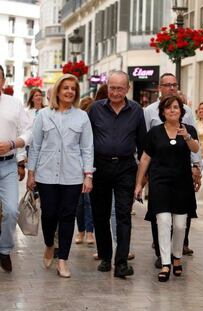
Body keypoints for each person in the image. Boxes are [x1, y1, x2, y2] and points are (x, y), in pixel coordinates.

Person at [27, 74, 94, 278]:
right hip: (46, 175)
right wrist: (31, 173)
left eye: (73, 88)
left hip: (72, 175)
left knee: (67, 217)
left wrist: (88, 175)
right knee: (49, 215)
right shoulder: (44, 116)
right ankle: (49, 244)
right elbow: (36, 146)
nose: (69, 91)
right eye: (65, 87)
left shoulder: (82, 117)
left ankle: (63, 260)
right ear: (58, 90)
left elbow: (87, 148)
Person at [88, 70, 146, 278]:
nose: (115, 92)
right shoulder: (94, 110)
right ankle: (105, 256)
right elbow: (86, 142)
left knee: (123, 214)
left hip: (125, 168)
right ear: (107, 87)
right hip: (99, 167)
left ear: (127, 89)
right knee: (100, 214)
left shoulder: (137, 111)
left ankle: (121, 262)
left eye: (120, 88)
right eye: (112, 88)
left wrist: (142, 177)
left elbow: (143, 145)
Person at [135, 95, 199, 282]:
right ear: (163, 112)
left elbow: (195, 150)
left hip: (182, 183)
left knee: (180, 226)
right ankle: (165, 263)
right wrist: (139, 184)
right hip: (159, 183)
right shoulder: (154, 132)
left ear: (181, 111)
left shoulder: (189, 130)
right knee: (163, 222)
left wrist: (186, 136)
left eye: (176, 107)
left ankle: (177, 257)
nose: (173, 110)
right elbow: (145, 159)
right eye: (169, 108)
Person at [144, 73, 202, 268]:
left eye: (174, 84)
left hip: (181, 174)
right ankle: (164, 256)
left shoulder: (187, 114)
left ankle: (177, 249)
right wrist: (141, 177)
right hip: (159, 173)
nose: (171, 87)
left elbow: (194, 145)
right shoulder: (149, 112)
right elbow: (146, 147)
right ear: (160, 87)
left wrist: (196, 166)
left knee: (179, 222)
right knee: (160, 218)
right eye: (167, 85)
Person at [0, 65, 31, 272]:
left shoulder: (14, 104)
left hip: (7, 164)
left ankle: (4, 250)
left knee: (11, 210)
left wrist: (13, 145)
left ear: (2, 81)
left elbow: (28, 131)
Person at [74, 97, 95, 245]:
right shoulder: (79, 121)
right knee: (80, 203)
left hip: (89, 167)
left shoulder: (91, 123)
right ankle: (83, 231)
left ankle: (88, 232)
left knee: (86, 202)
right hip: (75, 167)